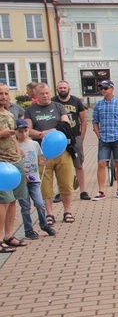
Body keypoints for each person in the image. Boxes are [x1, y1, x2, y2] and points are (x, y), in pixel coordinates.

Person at [24, 83, 75, 225]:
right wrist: (42, 134)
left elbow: (65, 125)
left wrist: (49, 132)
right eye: (42, 94)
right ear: (36, 95)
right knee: (45, 184)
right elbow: (27, 130)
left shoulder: (58, 107)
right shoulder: (30, 110)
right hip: (41, 152)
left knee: (66, 182)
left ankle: (67, 211)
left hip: (62, 150)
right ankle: (49, 213)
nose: (45, 96)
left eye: (47, 93)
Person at [16, 119, 56, 239]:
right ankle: (28, 230)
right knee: (25, 206)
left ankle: (44, 224)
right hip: (21, 180)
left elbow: (38, 160)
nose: (24, 134)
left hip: (34, 179)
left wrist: (44, 162)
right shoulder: (15, 146)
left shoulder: (34, 144)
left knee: (39, 203)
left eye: (26, 131)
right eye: (20, 131)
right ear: (16, 132)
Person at [91, 80, 118, 200]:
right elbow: (95, 121)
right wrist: (98, 135)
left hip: (117, 138)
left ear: (112, 89)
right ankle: (101, 191)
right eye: (101, 88)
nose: (103, 90)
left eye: (106, 88)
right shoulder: (98, 105)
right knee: (101, 163)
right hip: (104, 138)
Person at [52, 80, 91, 200]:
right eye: (60, 88)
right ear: (57, 89)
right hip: (59, 137)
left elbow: (83, 120)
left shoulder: (76, 101)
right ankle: (59, 192)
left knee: (78, 164)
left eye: (64, 87)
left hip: (74, 135)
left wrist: (81, 136)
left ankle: (83, 191)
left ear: (69, 89)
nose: (62, 90)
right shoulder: (53, 101)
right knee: (59, 165)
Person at [0, 104, 28, 252]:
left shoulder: (10, 114)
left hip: (14, 161)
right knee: (3, 201)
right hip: (1, 164)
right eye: (0, 93)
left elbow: (14, 139)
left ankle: (8, 236)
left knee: (13, 200)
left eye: (5, 93)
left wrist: (19, 157)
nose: (3, 96)